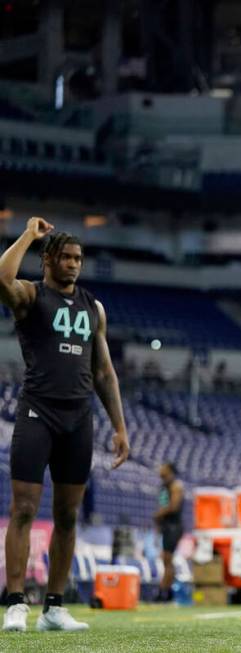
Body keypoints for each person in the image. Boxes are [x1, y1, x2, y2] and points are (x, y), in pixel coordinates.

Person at [1, 219, 129, 633]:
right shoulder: (31, 296)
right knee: (23, 509)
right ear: (49, 260)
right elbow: (2, 276)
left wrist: (120, 427)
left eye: (78, 258)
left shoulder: (95, 308)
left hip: (80, 417)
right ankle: (16, 602)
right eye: (66, 257)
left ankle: (53, 608)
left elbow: (105, 373)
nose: (74, 264)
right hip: (38, 411)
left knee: (68, 515)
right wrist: (28, 236)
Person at [154, 462, 184, 602]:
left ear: (170, 470)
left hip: (174, 527)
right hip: (167, 527)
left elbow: (173, 506)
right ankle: (168, 591)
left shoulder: (176, 486)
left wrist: (158, 514)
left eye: (163, 467)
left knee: (167, 559)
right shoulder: (164, 486)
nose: (160, 469)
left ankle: (163, 591)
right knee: (166, 560)